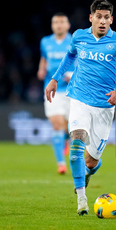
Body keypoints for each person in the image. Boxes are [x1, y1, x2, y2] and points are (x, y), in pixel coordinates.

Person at [45, 0, 116, 215]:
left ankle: (88, 174)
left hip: (104, 107)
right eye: (99, 16)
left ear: (111, 19)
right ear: (91, 18)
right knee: (76, 144)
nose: (103, 21)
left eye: (107, 17)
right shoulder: (79, 36)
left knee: (91, 160)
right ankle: (82, 200)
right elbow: (69, 57)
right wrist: (55, 78)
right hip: (78, 98)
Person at [38, 12, 75, 174]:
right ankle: (61, 163)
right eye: (55, 22)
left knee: (68, 127)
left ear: (68, 25)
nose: (58, 25)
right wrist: (41, 68)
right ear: (52, 26)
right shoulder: (45, 42)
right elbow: (44, 58)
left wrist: (73, 75)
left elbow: (82, 61)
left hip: (72, 90)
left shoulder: (75, 41)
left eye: (62, 22)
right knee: (56, 123)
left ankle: (66, 140)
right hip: (52, 88)